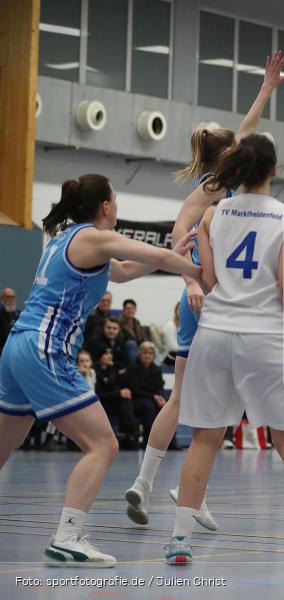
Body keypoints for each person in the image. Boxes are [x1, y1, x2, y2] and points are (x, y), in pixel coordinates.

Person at [124, 50, 284, 532]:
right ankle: (185, 493)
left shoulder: (231, 181)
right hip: (216, 299)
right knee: (227, 400)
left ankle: (148, 482)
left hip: (210, 299)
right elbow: (180, 229)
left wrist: (266, 89)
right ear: (229, 154)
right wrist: (191, 278)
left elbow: (247, 127)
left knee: (190, 399)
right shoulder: (219, 184)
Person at [0, 173, 201, 567]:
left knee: (7, 439)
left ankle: (68, 536)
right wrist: (196, 273)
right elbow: (156, 256)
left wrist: (175, 251)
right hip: (45, 348)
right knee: (103, 445)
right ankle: (67, 537)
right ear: (105, 207)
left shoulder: (65, 240)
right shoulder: (92, 236)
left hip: (17, 346)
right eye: (116, 203)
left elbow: (124, 270)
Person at [165, 133, 284, 567]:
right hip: (267, 336)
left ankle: (181, 539)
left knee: (205, 439)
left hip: (216, 331)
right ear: (275, 170)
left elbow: (208, 280)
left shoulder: (213, 214)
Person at [120, 342, 168, 450]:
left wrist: (161, 397)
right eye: (145, 353)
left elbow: (159, 387)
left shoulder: (156, 369)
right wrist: (154, 396)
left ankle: (168, 442)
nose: (147, 355)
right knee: (149, 406)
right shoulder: (132, 368)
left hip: (152, 398)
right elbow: (135, 390)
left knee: (167, 406)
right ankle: (147, 441)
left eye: (150, 353)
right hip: (135, 399)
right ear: (140, 354)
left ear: (153, 356)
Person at [95, 348, 139, 449]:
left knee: (126, 401)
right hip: (100, 402)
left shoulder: (113, 369)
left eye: (110, 354)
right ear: (100, 356)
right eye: (106, 354)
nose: (109, 356)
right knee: (122, 401)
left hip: (112, 400)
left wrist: (121, 392)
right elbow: (99, 393)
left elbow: (117, 386)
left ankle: (129, 436)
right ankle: (128, 435)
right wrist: (118, 393)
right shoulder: (94, 370)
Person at [0, 288, 20, 354]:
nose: (10, 300)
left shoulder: (19, 315)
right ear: (2, 299)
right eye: (8, 297)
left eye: (12, 297)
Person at [161, 302, 180, 366]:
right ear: (176, 311)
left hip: (182, 355)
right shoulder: (170, 325)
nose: (182, 312)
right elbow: (172, 347)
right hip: (170, 356)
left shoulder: (188, 326)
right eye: (180, 310)